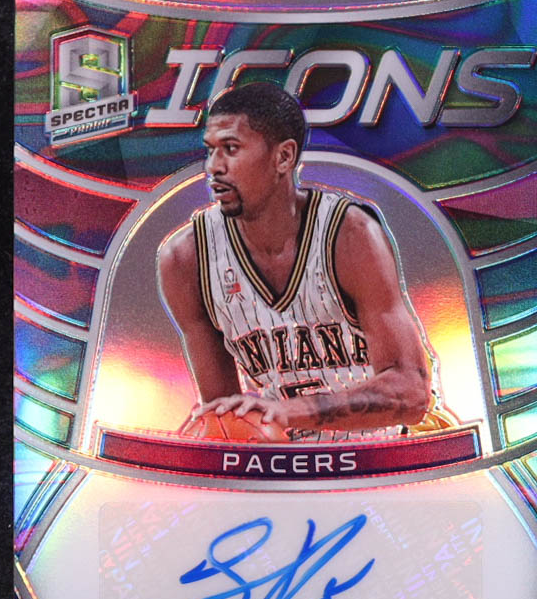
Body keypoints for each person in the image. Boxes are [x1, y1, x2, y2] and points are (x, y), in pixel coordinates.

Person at [158, 81, 448, 440]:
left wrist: (286, 412)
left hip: (394, 445)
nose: (214, 167)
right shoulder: (185, 259)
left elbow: (410, 394)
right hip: (294, 456)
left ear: (283, 157)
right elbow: (228, 416)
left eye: (231, 149)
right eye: (211, 150)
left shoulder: (350, 234)